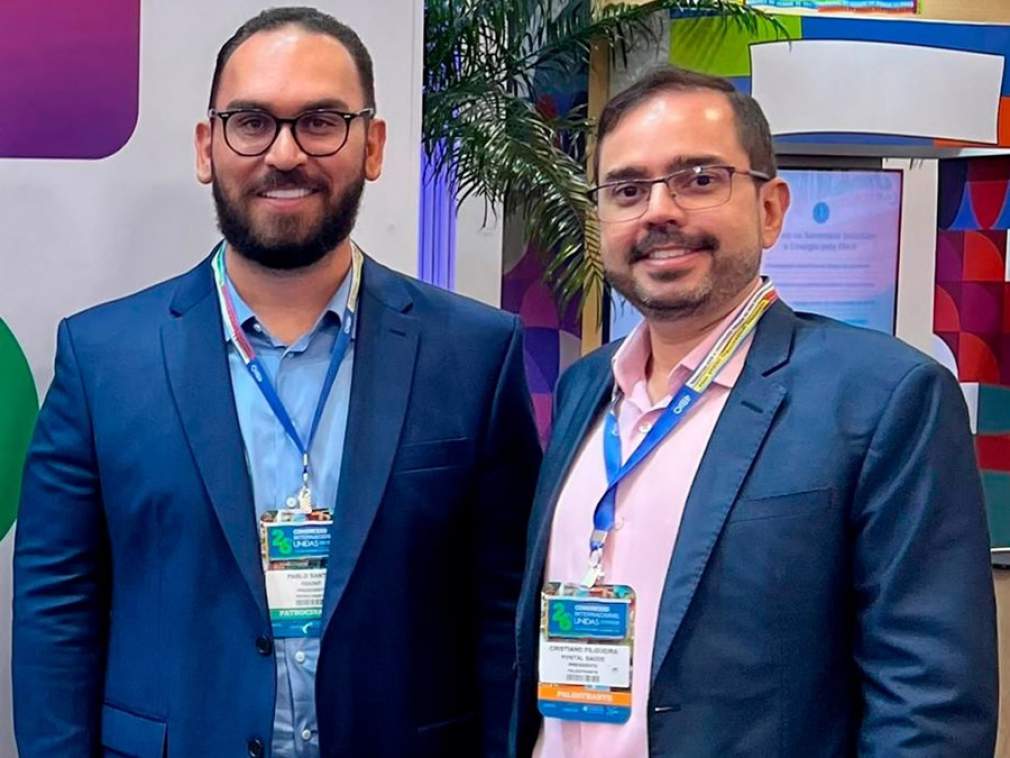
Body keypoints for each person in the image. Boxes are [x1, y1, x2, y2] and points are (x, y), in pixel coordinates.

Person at [13, 8, 541, 757]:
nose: (285, 153)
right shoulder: (102, 358)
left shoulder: (475, 355)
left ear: (373, 146)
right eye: (252, 123)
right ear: (207, 148)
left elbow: (503, 614)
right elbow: (56, 611)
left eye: (321, 122)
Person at [510, 66, 997, 757]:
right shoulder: (586, 388)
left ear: (771, 209)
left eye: (698, 179)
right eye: (627, 189)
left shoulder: (887, 397)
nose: (659, 212)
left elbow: (931, 708)